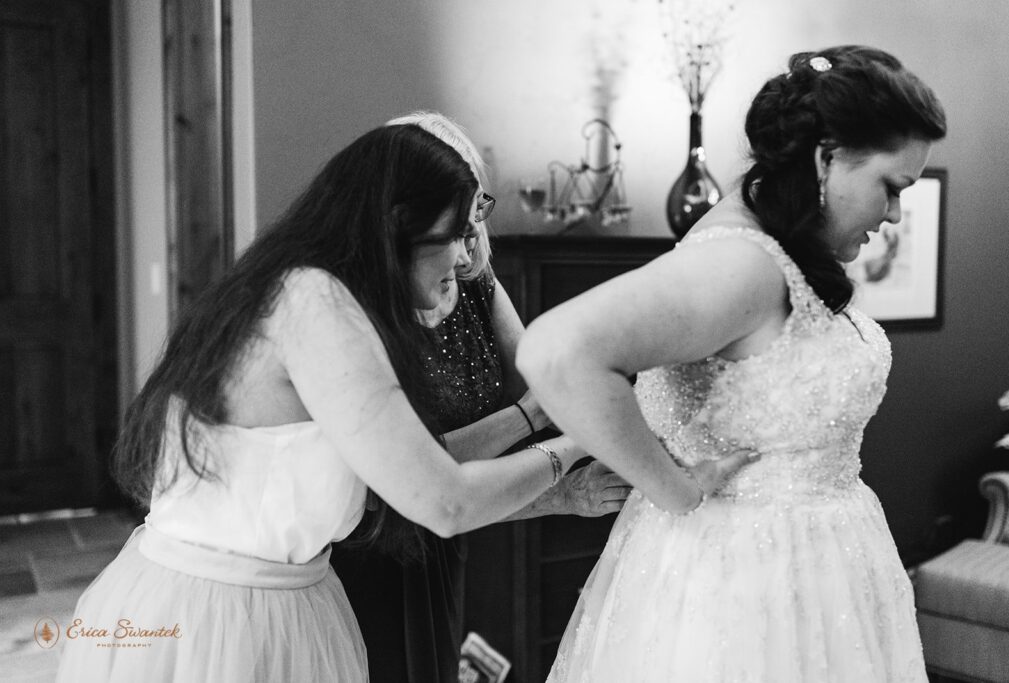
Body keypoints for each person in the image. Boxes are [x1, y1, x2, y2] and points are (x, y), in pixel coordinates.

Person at [55, 124, 597, 683]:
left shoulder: (310, 292)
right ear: (396, 227)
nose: (464, 256)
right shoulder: (314, 305)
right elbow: (445, 501)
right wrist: (577, 442)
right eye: (455, 234)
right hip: (224, 622)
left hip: (289, 603)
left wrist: (561, 480)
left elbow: (404, 477)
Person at [517, 45, 946, 682]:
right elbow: (556, 351)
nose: (892, 215)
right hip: (744, 586)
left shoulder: (777, 245)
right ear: (826, 157)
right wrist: (673, 485)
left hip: (821, 574)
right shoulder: (740, 264)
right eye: (890, 188)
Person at [332, 111, 636, 683]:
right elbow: (422, 468)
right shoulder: (377, 311)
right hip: (369, 547)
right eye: (458, 214)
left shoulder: (466, 288)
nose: (470, 229)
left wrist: (484, 271)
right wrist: (544, 434)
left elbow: (537, 383)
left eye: (477, 208)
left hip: (438, 546)